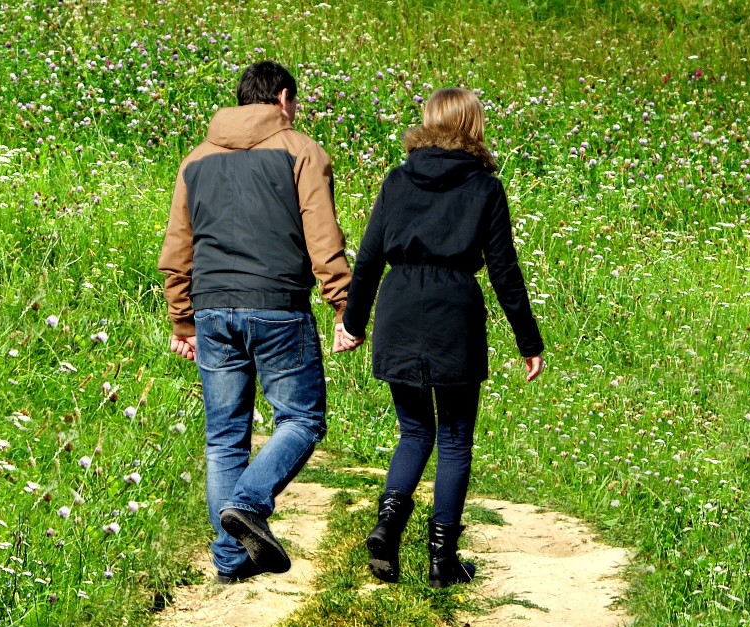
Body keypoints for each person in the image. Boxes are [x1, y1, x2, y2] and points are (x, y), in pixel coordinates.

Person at [336, 88, 545, 589]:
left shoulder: (397, 180)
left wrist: (353, 322)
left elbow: (367, 259)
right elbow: (504, 272)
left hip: (399, 307)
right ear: (473, 125)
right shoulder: (485, 188)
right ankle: (442, 561)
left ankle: (388, 524)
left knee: (414, 431)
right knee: (453, 438)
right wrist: (528, 342)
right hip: (455, 313)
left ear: (429, 123)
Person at [158, 61, 352, 584]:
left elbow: (178, 249)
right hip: (278, 305)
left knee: (224, 437)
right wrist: (343, 305)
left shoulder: (195, 159)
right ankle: (249, 502)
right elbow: (323, 237)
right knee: (302, 419)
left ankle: (230, 565)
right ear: (283, 98)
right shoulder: (301, 151)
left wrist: (183, 323)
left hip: (213, 308)